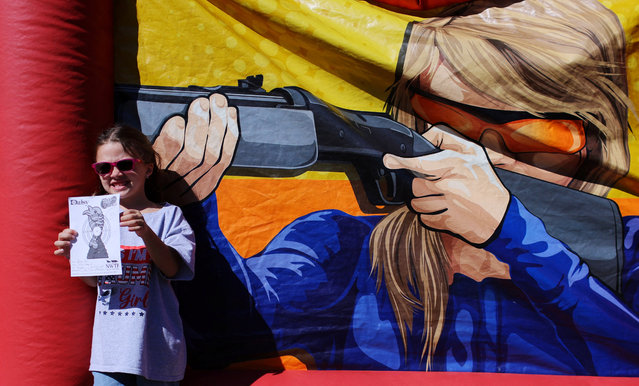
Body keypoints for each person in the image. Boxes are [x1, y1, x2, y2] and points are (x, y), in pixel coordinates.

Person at [150, 0, 639, 376]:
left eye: (539, 137)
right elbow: (221, 335)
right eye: (448, 123)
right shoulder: (341, 250)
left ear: (595, 143)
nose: (483, 159)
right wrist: (192, 206)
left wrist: (512, 232)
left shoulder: (629, 252)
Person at [54, 124, 196, 385]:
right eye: (104, 168)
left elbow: (173, 270)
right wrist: (73, 256)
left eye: (125, 164)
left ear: (148, 168)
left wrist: (146, 233)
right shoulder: (94, 217)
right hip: (111, 351)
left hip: (159, 347)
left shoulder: (168, 215)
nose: (115, 174)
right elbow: (97, 283)